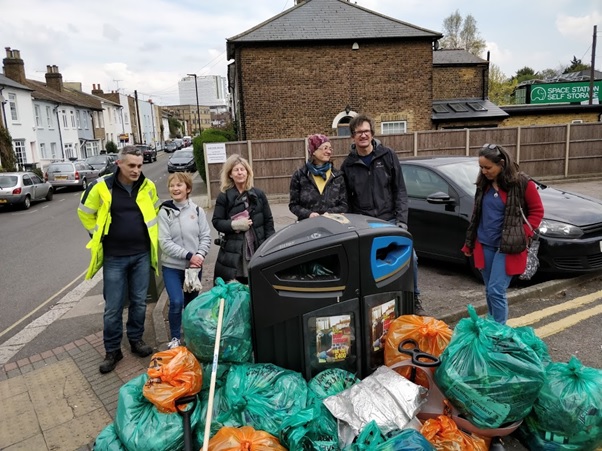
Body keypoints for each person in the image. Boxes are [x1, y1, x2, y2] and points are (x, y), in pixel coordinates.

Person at [77, 145, 160, 374]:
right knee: (113, 308)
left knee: (139, 302)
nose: (136, 170)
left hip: (141, 254)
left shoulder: (148, 186)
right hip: (114, 257)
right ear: (119, 164)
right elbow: (84, 211)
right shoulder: (101, 186)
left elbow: (154, 212)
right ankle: (113, 350)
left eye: (140, 166)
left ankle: (136, 340)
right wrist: (97, 234)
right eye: (131, 165)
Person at [340, 114, 425, 315]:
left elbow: (400, 191)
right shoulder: (348, 165)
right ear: (352, 136)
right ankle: (378, 306)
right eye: (359, 132)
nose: (363, 135)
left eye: (366, 131)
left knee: (410, 259)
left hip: (390, 220)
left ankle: (414, 298)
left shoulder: (387, 156)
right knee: (369, 266)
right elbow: (348, 201)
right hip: (365, 224)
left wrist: (402, 222)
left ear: (372, 134)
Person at [462, 143, 544, 325]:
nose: (483, 171)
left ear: (501, 164)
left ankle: (499, 331)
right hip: (484, 244)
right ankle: (492, 325)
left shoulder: (522, 183)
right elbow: (477, 215)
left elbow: (537, 212)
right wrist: (469, 243)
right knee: (489, 290)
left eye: (488, 167)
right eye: (481, 167)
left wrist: (523, 234)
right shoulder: (484, 184)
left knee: (496, 290)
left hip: (507, 246)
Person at [158, 172, 211, 349]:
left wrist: (200, 256)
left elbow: (205, 236)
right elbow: (164, 243)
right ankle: (174, 338)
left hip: (194, 268)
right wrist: (189, 255)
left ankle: (190, 336)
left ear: (187, 188)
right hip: (172, 267)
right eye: (172, 186)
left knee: (191, 305)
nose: (175, 188)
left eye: (179, 185)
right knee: (176, 301)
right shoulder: (165, 211)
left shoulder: (197, 211)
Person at [212, 154, 275, 284]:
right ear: (230, 174)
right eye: (236, 170)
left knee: (258, 284)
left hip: (257, 246)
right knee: (235, 285)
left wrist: (270, 244)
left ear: (247, 172)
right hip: (234, 250)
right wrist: (235, 225)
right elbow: (217, 222)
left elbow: (268, 221)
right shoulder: (224, 197)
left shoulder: (258, 194)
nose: (240, 173)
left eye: (242, 169)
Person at [289, 134, 348, 220]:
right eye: (325, 148)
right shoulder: (300, 175)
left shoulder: (338, 176)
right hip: (307, 226)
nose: (329, 152)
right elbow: (293, 205)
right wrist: (308, 214)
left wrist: (330, 213)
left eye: (330, 148)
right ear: (314, 151)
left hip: (333, 225)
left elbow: (344, 205)